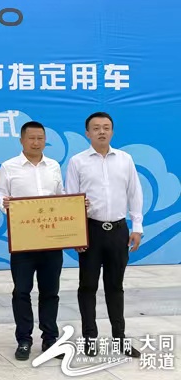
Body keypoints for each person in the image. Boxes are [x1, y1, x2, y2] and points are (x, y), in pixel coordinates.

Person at [65, 112, 143, 358]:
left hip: (118, 231)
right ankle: (90, 338)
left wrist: (137, 226)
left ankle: (120, 338)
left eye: (106, 127)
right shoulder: (77, 162)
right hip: (91, 231)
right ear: (87, 133)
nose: (102, 131)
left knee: (115, 286)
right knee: (87, 286)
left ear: (112, 131)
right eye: (96, 128)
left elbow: (135, 193)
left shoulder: (125, 159)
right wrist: (76, 234)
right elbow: (70, 198)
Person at [0, 121, 65, 361]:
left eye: (40, 138)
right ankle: (24, 339)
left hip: (51, 239)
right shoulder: (9, 166)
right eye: (31, 138)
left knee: (50, 291)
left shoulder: (53, 166)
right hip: (23, 240)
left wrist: (75, 206)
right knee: (22, 291)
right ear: (22, 140)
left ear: (45, 140)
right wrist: (3, 203)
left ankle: (50, 339)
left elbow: (61, 197)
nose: (36, 142)